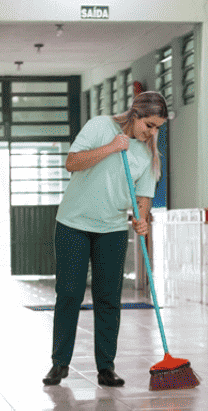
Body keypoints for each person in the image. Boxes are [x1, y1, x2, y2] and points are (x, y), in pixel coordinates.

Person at [42, 91, 168, 387]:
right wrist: (112, 147)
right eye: (149, 125)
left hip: (111, 229)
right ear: (135, 115)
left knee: (109, 298)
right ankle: (59, 364)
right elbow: (72, 162)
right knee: (69, 294)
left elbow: (144, 195)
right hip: (73, 224)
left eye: (158, 127)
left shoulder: (148, 151)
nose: (153, 133)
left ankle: (106, 368)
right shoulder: (100, 126)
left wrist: (142, 220)